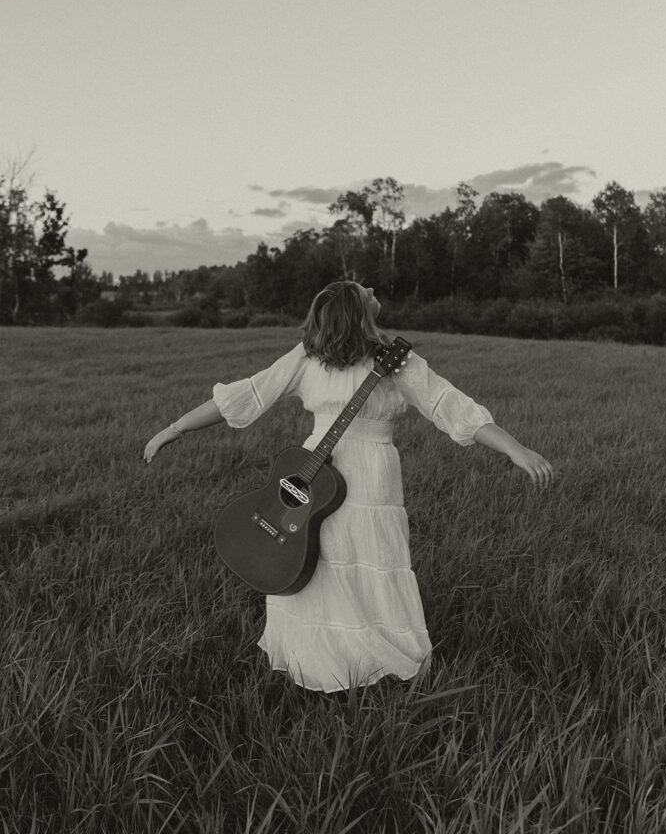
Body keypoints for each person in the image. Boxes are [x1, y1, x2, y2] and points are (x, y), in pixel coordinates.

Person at [143, 281, 553, 693]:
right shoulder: (307, 357)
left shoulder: (394, 360)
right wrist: (175, 428)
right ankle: (319, 657)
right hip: (314, 469)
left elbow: (448, 405)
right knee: (311, 556)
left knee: (366, 554)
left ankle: (370, 654)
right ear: (357, 310)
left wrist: (514, 448)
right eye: (364, 289)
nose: (373, 287)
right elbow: (247, 394)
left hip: (370, 473)